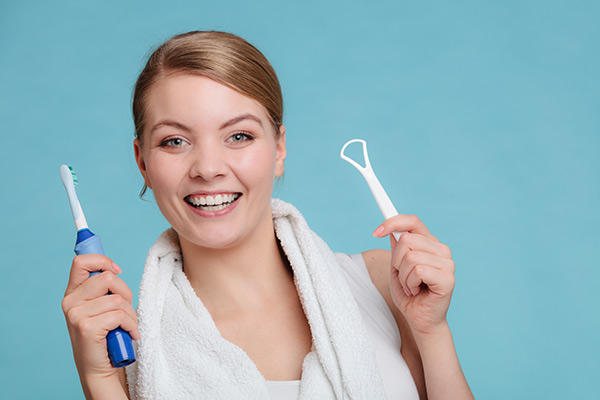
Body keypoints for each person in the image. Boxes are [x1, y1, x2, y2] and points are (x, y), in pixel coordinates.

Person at [62, 31, 474, 400]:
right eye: (174, 141)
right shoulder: (126, 346)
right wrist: (100, 380)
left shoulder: (385, 284)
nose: (208, 167)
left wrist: (431, 331)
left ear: (279, 149)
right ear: (143, 163)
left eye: (238, 135)